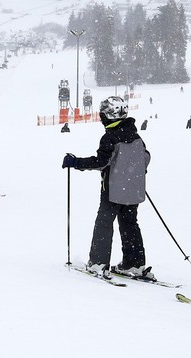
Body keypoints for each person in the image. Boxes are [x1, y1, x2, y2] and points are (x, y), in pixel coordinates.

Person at [62, 96, 153, 279]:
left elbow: (101, 162)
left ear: (108, 116)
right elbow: (146, 158)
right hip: (133, 190)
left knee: (104, 222)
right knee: (129, 224)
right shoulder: (135, 136)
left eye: (102, 114)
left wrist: (76, 162)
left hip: (112, 190)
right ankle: (133, 263)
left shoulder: (110, 137)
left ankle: (98, 263)